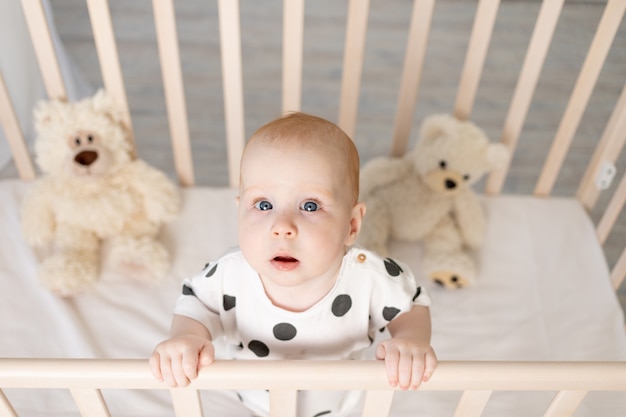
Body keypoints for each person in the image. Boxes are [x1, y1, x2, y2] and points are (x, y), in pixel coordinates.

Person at [149, 112, 437, 416]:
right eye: (263, 205)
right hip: (251, 397)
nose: (282, 226)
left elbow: (412, 302)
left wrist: (409, 340)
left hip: (339, 401)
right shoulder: (230, 274)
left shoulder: (368, 277)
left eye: (310, 206)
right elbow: (196, 302)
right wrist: (188, 337)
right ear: (240, 213)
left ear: (352, 225)